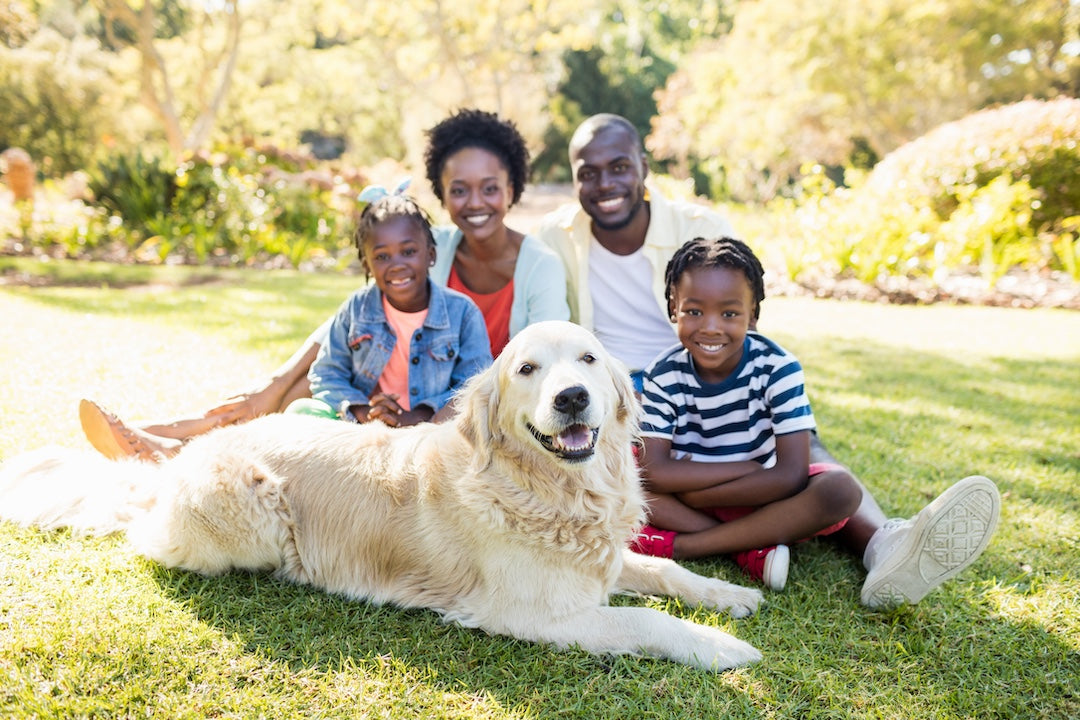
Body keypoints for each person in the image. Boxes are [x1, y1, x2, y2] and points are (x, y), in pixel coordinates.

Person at [537, 113, 1001, 609]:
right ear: (575, 176)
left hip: (708, 369)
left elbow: (737, 313)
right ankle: (752, 541)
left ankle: (883, 543)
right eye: (588, 172)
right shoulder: (558, 236)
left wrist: (738, 408)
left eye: (619, 167)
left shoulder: (699, 227)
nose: (605, 183)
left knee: (807, 453)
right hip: (626, 394)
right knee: (631, 470)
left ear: (643, 169)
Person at [79, 109, 567, 457]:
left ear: (512, 188)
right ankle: (189, 436)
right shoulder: (430, 243)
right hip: (389, 397)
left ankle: (185, 438)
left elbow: (539, 369)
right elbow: (356, 318)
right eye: (459, 189)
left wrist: (426, 414)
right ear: (442, 192)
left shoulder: (538, 265)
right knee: (302, 399)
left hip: (469, 409)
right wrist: (283, 383)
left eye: (490, 188)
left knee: (294, 403)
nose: (474, 201)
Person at [630, 236, 863, 590]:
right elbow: (655, 471)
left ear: (752, 314)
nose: (710, 327)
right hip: (683, 498)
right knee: (621, 472)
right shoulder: (662, 374)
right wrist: (740, 469)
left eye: (729, 313)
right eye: (694, 311)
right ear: (673, 308)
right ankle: (746, 548)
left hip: (759, 497)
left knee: (840, 490)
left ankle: (688, 546)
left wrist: (702, 494)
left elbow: (791, 475)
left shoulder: (779, 368)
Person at [286, 189, 490, 425]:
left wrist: (420, 416)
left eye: (409, 252)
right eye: (382, 257)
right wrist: (362, 411)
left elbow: (474, 384)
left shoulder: (462, 313)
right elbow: (326, 373)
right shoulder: (356, 308)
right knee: (301, 410)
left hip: (431, 429)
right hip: (365, 426)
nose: (397, 265)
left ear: (431, 255)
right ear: (367, 266)